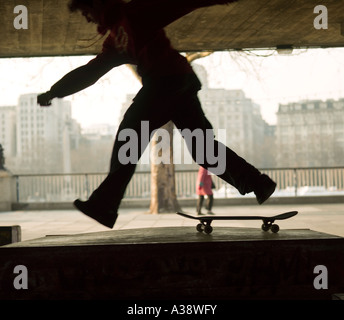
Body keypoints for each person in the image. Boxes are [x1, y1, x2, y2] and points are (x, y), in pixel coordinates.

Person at [37, 0, 276, 228]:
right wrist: (55, 91)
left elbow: (175, 4)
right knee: (203, 149)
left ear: (97, 3)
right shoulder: (115, 42)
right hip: (179, 83)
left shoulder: (134, 13)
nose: (88, 19)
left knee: (129, 134)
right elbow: (91, 72)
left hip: (165, 81)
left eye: (86, 12)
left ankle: (105, 204)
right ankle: (258, 183)